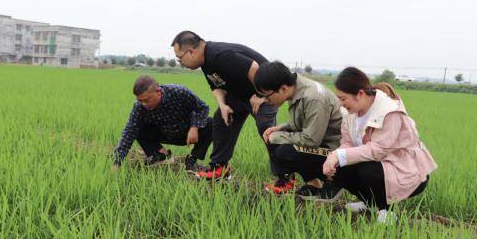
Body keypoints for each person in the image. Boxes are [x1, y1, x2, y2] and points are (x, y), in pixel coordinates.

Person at [322, 67, 437, 223]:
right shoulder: (350, 114)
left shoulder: (389, 112)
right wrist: (334, 158)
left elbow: (379, 150)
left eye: (343, 99)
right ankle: (368, 203)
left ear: (360, 94)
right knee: (339, 168)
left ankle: (387, 211)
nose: (340, 104)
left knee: (367, 169)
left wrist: (338, 155)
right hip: (381, 167)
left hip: (406, 171)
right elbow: (347, 142)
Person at [171, 30, 284, 184]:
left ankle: (286, 177)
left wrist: (260, 95)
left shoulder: (219, 55)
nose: (181, 63)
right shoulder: (205, 62)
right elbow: (215, 86)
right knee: (221, 119)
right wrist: (223, 105)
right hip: (240, 95)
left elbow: (254, 68)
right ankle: (219, 169)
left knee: (267, 129)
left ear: (191, 51)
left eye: (180, 58)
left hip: (266, 91)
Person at [255, 61, 343, 198]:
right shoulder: (296, 88)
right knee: (274, 139)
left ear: (283, 88)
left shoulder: (313, 98)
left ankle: (335, 180)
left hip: (336, 149)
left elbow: (311, 139)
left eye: (267, 95)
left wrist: (278, 136)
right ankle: (313, 184)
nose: (265, 100)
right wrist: (280, 127)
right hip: (321, 141)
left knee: (284, 151)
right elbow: (303, 121)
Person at [113, 75, 212, 172]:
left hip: (187, 135)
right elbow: (129, 131)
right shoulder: (139, 107)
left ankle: (192, 160)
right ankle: (159, 154)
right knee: (136, 128)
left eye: (147, 100)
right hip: (164, 134)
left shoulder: (179, 92)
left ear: (158, 92)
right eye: (140, 100)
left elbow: (202, 107)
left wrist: (194, 127)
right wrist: (117, 162)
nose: (143, 104)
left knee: (210, 123)